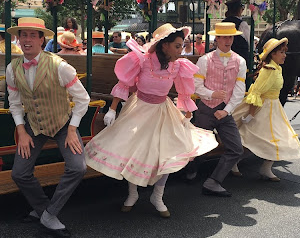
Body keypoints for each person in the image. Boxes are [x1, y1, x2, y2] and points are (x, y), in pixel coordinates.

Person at [85, 25, 217, 217]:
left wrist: (187, 111)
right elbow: (124, 83)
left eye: (182, 46)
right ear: (165, 46)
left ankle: (158, 195)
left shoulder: (178, 65)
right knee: (135, 151)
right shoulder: (143, 61)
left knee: (168, 152)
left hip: (164, 111)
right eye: (177, 46)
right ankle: (132, 194)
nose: (181, 51)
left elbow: (183, 89)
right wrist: (112, 109)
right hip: (139, 109)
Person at [5, 17, 90, 238]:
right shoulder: (12, 68)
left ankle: (50, 214)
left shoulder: (60, 66)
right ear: (18, 38)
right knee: (19, 173)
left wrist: (72, 129)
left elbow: (83, 99)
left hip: (62, 123)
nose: (27, 39)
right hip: (34, 124)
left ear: (42, 40)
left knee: (78, 167)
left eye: (33, 35)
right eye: (24, 34)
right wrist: (22, 131)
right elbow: (14, 103)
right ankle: (44, 210)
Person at [188, 22, 247, 196]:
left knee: (236, 148)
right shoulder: (204, 60)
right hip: (205, 109)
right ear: (217, 39)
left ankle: (213, 182)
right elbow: (196, 85)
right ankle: (192, 169)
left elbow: (239, 90)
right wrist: (212, 94)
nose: (228, 40)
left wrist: (227, 110)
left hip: (224, 111)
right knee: (199, 146)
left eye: (231, 37)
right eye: (224, 37)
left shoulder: (240, 61)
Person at [232, 37, 300, 180]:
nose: (284, 55)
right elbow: (256, 92)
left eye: (284, 52)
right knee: (255, 139)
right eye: (281, 52)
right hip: (263, 109)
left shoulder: (277, 68)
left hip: (274, 107)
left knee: (277, 139)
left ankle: (265, 168)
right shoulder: (269, 70)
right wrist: (251, 115)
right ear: (272, 54)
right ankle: (234, 162)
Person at [225, 0, 250, 64]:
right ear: (239, 10)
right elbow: (249, 42)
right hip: (240, 58)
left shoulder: (223, 23)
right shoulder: (242, 24)